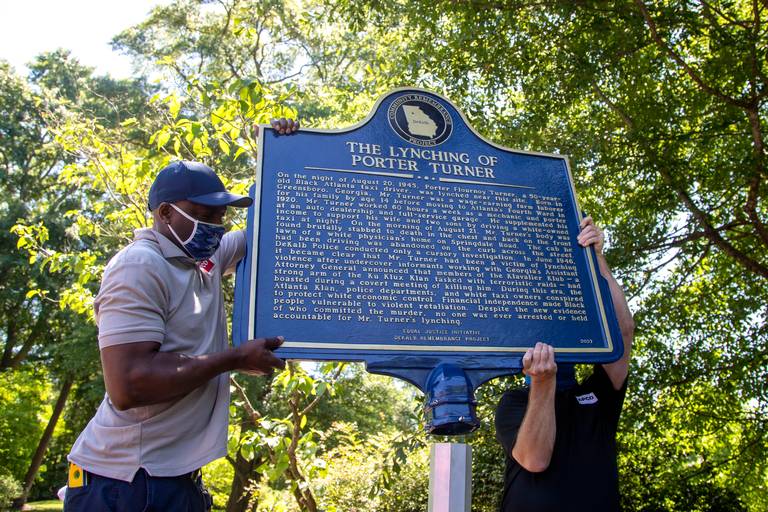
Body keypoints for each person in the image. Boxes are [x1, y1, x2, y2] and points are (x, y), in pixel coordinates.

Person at [64, 118, 299, 512]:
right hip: (124, 482)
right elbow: (128, 385)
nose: (214, 225)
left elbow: (277, 227)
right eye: (201, 214)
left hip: (173, 479)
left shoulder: (202, 259)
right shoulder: (139, 266)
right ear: (165, 214)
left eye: (220, 216)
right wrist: (235, 358)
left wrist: (284, 154)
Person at [495, 216, 636, 512]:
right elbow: (534, 459)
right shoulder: (513, 402)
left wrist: (597, 259)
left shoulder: (599, 394)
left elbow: (622, 331)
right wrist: (544, 383)